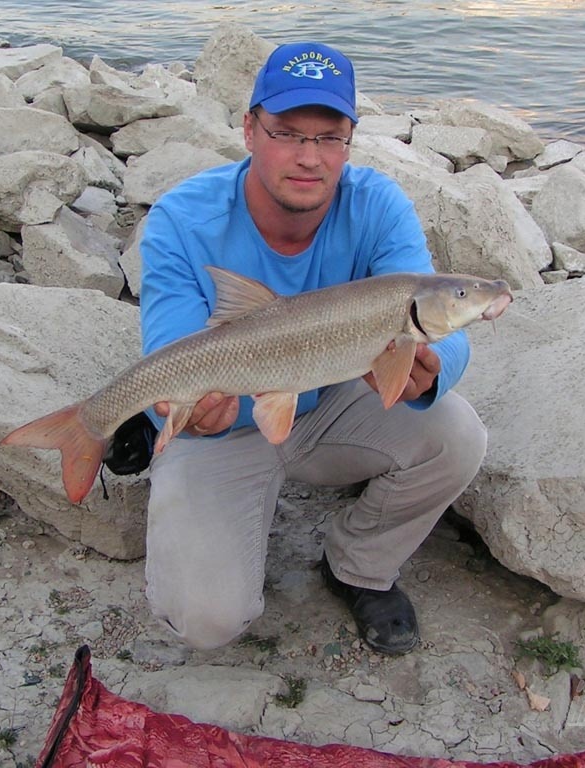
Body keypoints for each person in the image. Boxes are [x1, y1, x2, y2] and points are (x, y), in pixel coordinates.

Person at [135, 41, 488, 655]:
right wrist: (177, 415)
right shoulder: (181, 220)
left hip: (327, 403)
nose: (309, 157)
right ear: (249, 130)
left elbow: (443, 338)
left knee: (456, 434)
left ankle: (357, 564)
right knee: (206, 622)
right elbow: (169, 355)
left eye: (329, 138)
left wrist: (429, 375)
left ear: (350, 141)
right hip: (224, 429)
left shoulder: (378, 205)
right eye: (288, 133)